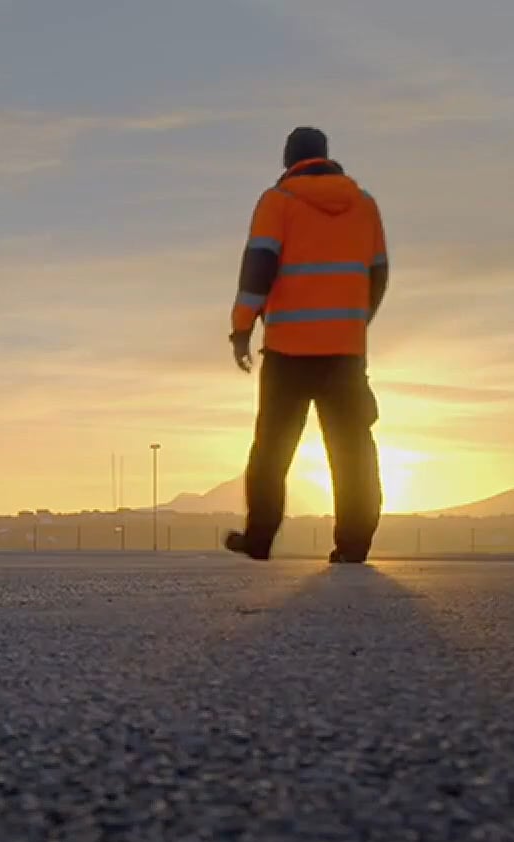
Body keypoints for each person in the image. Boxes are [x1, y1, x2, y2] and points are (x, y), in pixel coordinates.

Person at [223, 126, 389, 564]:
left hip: (287, 351)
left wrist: (242, 329)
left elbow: (258, 268)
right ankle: (354, 544)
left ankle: (259, 539)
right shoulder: (365, 205)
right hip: (345, 353)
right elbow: (378, 273)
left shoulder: (278, 202)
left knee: (272, 450)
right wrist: (354, 323)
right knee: (353, 450)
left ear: (287, 159)